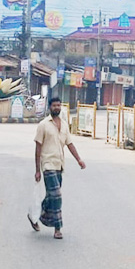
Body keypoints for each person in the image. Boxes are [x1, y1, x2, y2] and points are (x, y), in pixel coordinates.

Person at [32, 97, 87, 239]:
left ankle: (34, 215)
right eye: (54, 105)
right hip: (48, 165)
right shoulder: (43, 125)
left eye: (58, 105)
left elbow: (70, 144)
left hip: (59, 165)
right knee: (57, 196)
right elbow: (38, 149)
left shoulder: (64, 125)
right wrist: (37, 170)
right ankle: (57, 228)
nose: (57, 107)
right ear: (49, 107)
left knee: (51, 197)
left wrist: (79, 159)